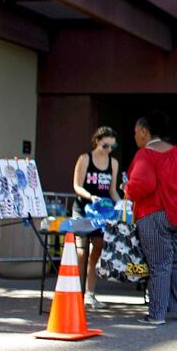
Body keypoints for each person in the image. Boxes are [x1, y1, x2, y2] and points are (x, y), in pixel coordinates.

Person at [125, 111, 177, 325]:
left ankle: (156, 314)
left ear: (144, 131)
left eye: (136, 132)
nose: (135, 137)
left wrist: (126, 188)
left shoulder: (146, 155)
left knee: (160, 264)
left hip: (156, 214)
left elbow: (141, 186)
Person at [72, 126, 121, 309]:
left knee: (98, 248)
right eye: (105, 145)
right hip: (83, 208)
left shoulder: (113, 163)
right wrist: (90, 196)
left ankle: (90, 294)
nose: (108, 150)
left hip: (102, 211)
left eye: (112, 146)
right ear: (97, 141)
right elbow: (77, 185)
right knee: (81, 250)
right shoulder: (85, 158)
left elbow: (112, 190)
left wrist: (121, 205)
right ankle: (76, 290)